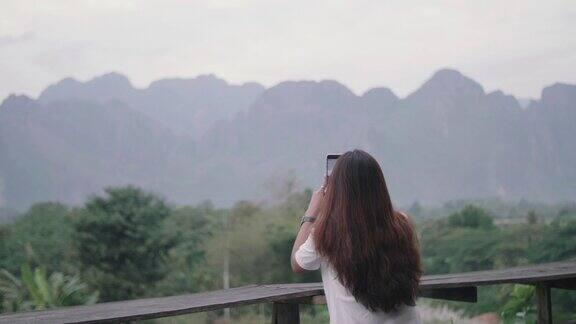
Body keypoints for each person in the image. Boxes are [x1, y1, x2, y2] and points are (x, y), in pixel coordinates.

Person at [291, 149, 423, 324]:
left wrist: (311, 212)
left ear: (336, 190)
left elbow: (297, 264)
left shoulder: (327, 232)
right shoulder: (401, 223)